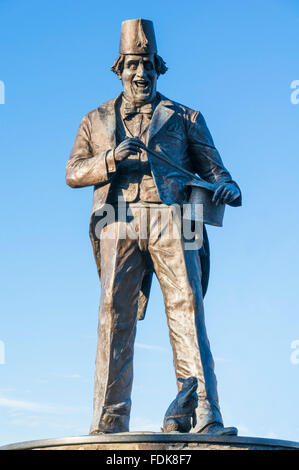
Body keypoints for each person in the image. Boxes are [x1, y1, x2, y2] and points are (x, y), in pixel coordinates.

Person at [66, 18, 241, 435]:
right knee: (114, 315)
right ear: (120, 69)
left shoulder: (186, 117)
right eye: (132, 65)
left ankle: (203, 414)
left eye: (147, 64)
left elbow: (220, 174)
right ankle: (107, 424)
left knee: (187, 311)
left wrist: (227, 189)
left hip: (175, 220)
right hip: (117, 219)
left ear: (158, 68)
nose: (140, 73)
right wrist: (111, 160)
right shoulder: (95, 120)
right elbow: (73, 172)